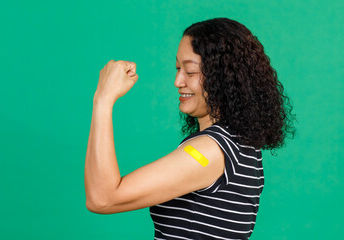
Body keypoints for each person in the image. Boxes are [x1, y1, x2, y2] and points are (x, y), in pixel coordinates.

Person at [84, 17, 296, 239]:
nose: (178, 81)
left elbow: (103, 198)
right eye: (178, 68)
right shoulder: (238, 144)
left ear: (223, 77)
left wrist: (103, 99)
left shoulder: (208, 151)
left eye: (190, 71)